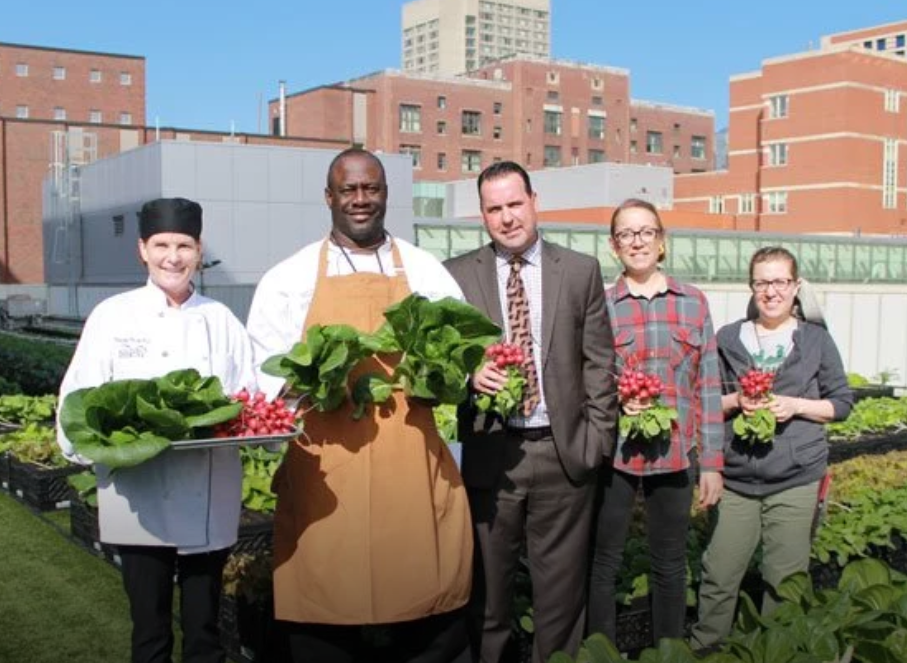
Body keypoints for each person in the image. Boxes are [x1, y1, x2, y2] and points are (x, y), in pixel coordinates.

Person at [245, 147, 473, 663]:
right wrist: (311, 383)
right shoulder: (289, 278)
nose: (360, 199)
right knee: (325, 607)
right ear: (329, 197)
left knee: (424, 596)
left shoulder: (424, 269)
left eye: (371, 188)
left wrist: (439, 375)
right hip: (326, 463)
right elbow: (266, 372)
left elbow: (460, 354)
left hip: (410, 457)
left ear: (386, 194)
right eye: (349, 189)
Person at [57, 197, 257, 663]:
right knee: (149, 632)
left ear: (199, 250)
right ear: (142, 250)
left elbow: (246, 397)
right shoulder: (113, 315)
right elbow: (78, 397)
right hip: (138, 493)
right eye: (162, 244)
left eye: (184, 245)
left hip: (208, 491)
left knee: (205, 633)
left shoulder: (221, 319)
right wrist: (87, 447)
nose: (174, 256)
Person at [444, 161, 618, 663]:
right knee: (488, 600)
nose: (506, 218)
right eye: (494, 209)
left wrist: (594, 444)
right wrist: (468, 375)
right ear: (482, 215)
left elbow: (599, 363)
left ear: (535, 201)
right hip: (491, 455)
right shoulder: (456, 276)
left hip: (564, 456)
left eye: (514, 204)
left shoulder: (580, 270)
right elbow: (439, 363)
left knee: (560, 606)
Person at [690, 246, 853, 649]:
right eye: (762, 282)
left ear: (796, 286)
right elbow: (705, 397)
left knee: (785, 581)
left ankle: (775, 653)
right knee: (719, 574)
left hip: (796, 479)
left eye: (780, 281)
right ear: (751, 287)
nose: (771, 291)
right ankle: (708, 650)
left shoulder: (815, 340)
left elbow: (842, 403)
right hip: (738, 479)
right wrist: (736, 402)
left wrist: (796, 405)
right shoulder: (729, 338)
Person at [586, 198, 724, 646]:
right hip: (616, 454)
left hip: (675, 454)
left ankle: (669, 651)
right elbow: (589, 380)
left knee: (669, 563)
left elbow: (707, 386)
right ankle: (600, 651)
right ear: (614, 246)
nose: (637, 242)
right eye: (626, 234)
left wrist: (712, 463)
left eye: (646, 232)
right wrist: (615, 405)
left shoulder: (693, 302)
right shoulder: (600, 307)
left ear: (661, 242)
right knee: (603, 562)